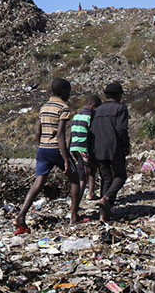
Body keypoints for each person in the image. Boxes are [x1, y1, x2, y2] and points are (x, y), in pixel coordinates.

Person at [14, 78, 82, 234]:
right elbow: (60, 135)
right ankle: (74, 216)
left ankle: (20, 216)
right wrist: (66, 159)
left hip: (43, 149)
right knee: (75, 178)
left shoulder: (44, 107)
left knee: (38, 183)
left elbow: (37, 131)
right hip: (56, 149)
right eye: (69, 90)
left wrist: (41, 145)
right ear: (64, 91)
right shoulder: (63, 108)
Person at [90, 83, 130, 222]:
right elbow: (121, 130)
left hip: (98, 149)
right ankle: (107, 198)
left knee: (106, 178)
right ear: (119, 95)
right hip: (114, 148)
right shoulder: (120, 108)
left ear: (106, 95)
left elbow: (91, 131)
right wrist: (126, 145)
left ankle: (103, 214)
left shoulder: (97, 110)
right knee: (120, 175)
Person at [69, 95, 102, 202]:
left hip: (74, 147)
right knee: (82, 176)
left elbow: (70, 134)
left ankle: (91, 193)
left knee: (91, 169)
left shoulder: (76, 116)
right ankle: (77, 202)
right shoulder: (91, 117)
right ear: (94, 106)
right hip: (84, 148)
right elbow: (92, 134)